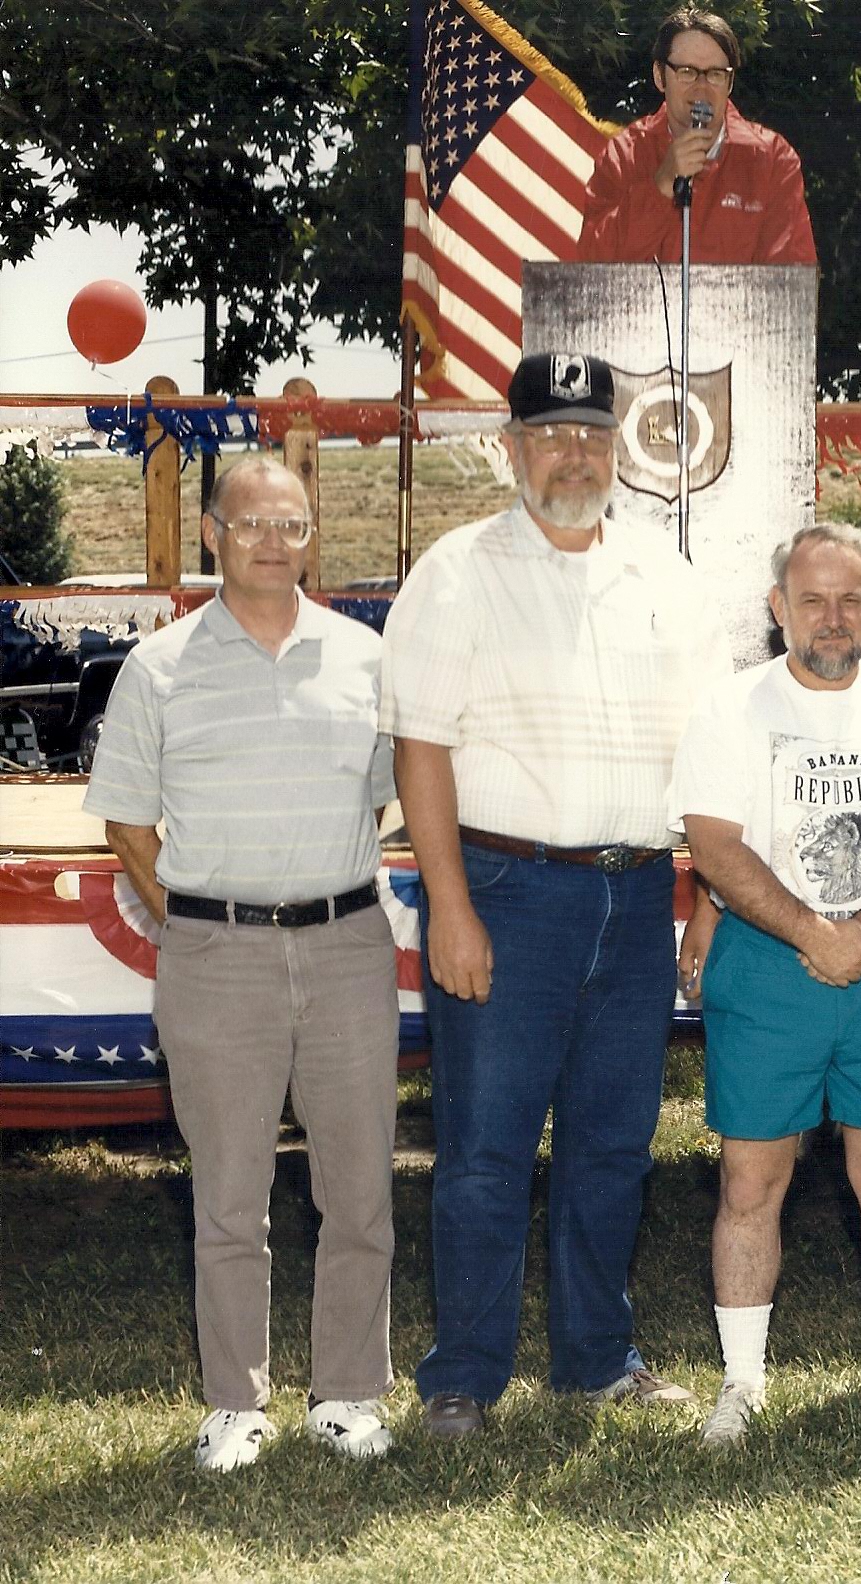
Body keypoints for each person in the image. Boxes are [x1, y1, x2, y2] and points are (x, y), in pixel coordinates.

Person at [381, 349, 730, 1438]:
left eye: (591, 432)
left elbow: (716, 756)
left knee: (613, 1145)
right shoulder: (458, 569)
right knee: (485, 1152)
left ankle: (595, 1358)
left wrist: (707, 899)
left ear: (615, 445)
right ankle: (462, 1378)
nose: (572, 452)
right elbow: (421, 749)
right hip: (505, 888)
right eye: (550, 432)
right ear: (512, 445)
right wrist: (452, 906)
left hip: (635, 898)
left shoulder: (669, 580)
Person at [84, 457, 399, 1470]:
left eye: (293, 524)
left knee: (358, 1190)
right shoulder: (160, 665)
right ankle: (237, 1404)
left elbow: (398, 796)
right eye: (252, 523)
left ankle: (348, 1394)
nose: (274, 540)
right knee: (229, 1192)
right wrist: (198, 914)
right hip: (215, 958)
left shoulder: (365, 659)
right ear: (212, 534)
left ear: (315, 538)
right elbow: (126, 818)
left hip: (349, 945)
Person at [668, 523, 861, 1446]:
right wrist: (812, 931)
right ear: (778, 610)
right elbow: (715, 844)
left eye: (851, 599)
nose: (832, 618)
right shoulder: (733, 709)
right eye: (812, 600)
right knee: (750, 1179)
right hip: (768, 970)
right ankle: (743, 1386)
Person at [578, 8, 816, 266]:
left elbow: (790, 281)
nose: (701, 87)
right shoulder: (625, 154)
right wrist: (661, 186)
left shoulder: (773, 160)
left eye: (715, 74)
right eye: (687, 71)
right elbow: (593, 265)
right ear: (660, 76)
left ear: (730, 82)